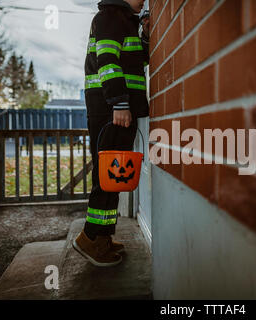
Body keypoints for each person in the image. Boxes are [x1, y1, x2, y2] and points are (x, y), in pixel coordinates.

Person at [73, 0, 149, 267]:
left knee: (115, 176)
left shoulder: (125, 21)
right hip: (111, 110)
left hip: (117, 109)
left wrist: (147, 38)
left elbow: (138, 60)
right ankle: (90, 237)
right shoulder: (108, 17)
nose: (144, 0)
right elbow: (106, 61)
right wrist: (119, 102)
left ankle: (103, 236)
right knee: (107, 176)